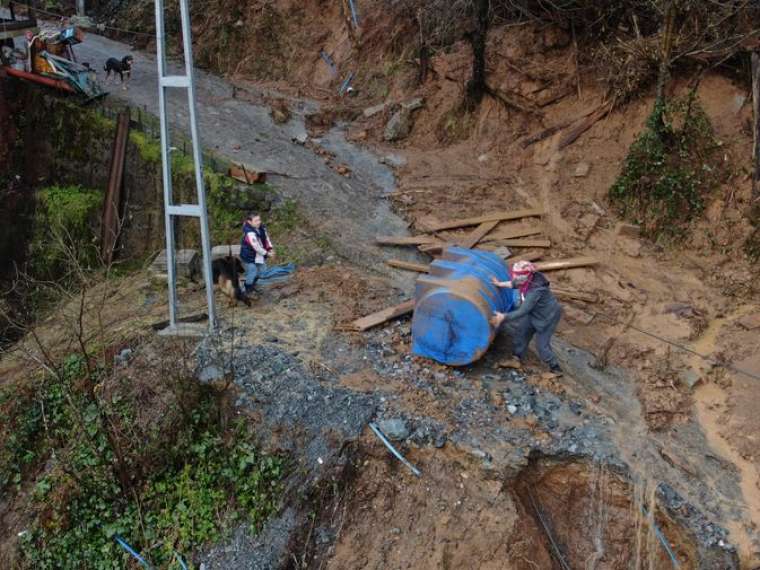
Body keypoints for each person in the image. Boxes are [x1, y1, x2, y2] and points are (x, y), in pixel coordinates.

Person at [490, 260, 563, 375]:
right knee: (521, 333)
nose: (515, 278)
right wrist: (500, 284)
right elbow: (515, 283)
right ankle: (516, 359)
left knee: (542, 346)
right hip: (534, 312)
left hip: (547, 317)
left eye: (517, 276)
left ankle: (555, 367)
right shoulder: (527, 280)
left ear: (525, 276)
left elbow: (523, 311)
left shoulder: (536, 290)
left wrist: (503, 317)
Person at [239, 212, 276, 295]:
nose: (259, 222)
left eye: (259, 220)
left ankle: (252, 285)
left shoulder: (261, 228)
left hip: (258, 256)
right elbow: (256, 246)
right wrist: (267, 254)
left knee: (262, 272)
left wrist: (270, 248)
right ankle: (247, 289)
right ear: (249, 222)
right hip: (248, 257)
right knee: (253, 271)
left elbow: (266, 239)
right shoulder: (249, 233)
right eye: (256, 221)